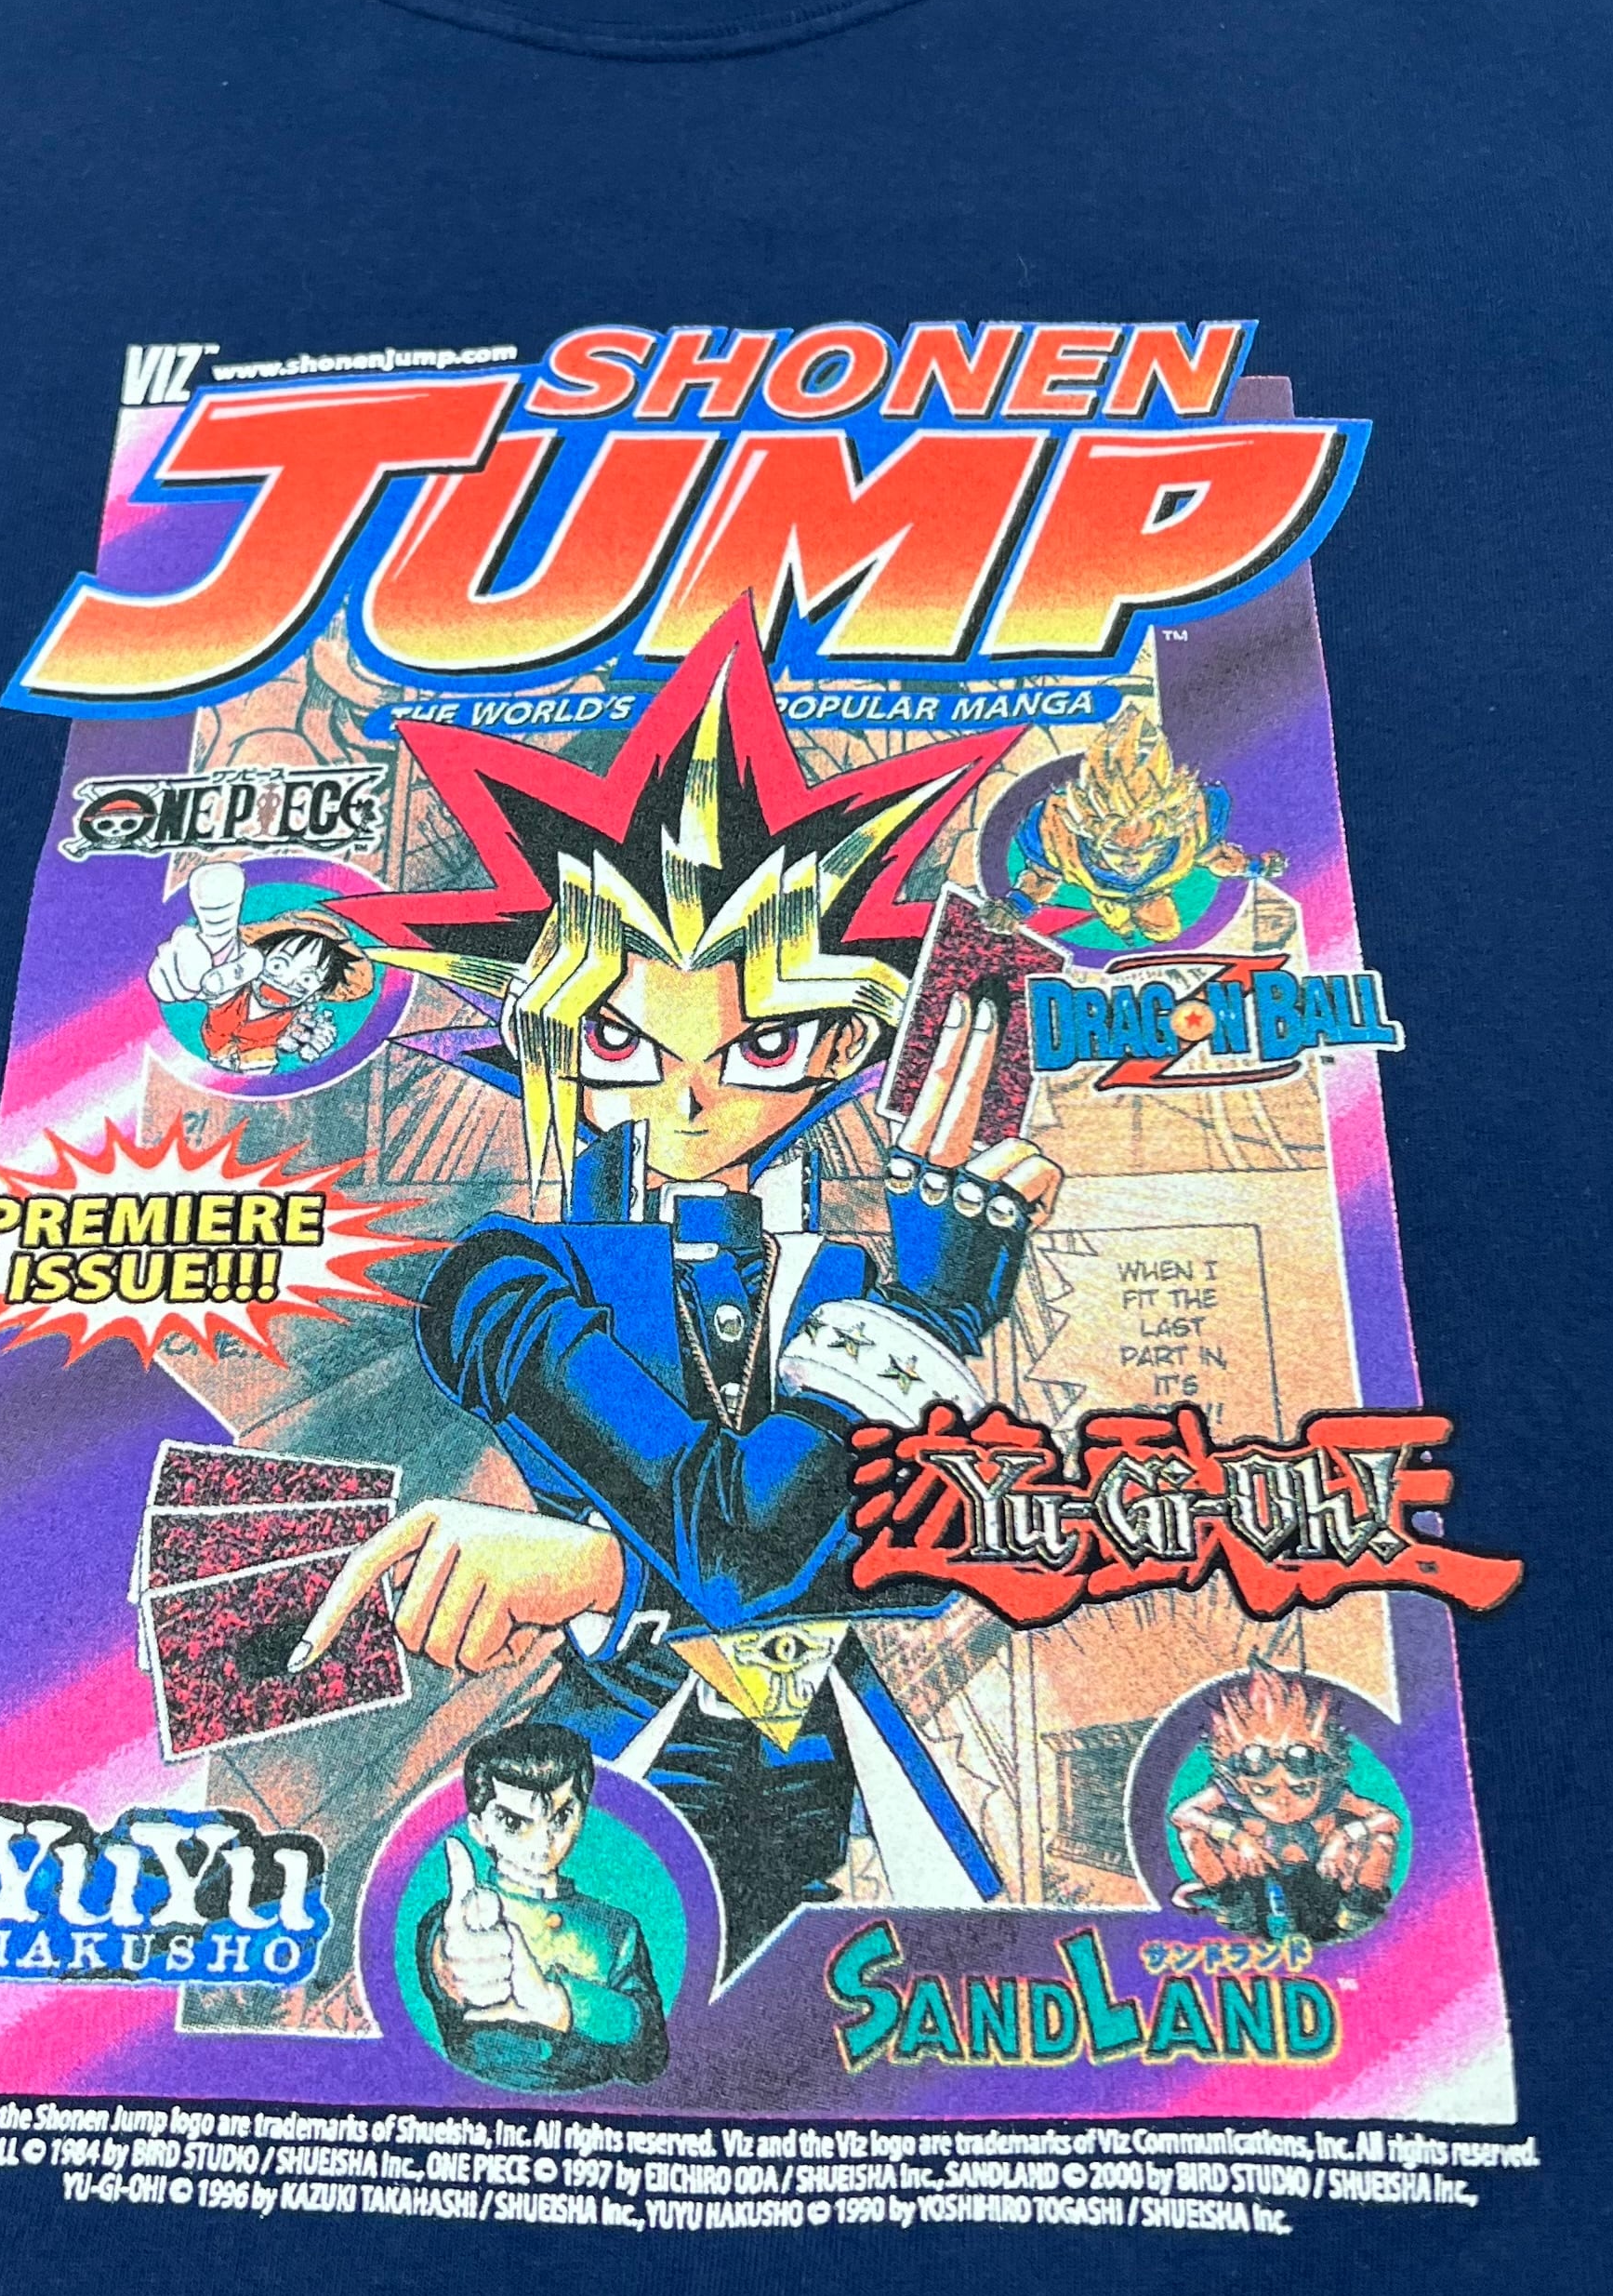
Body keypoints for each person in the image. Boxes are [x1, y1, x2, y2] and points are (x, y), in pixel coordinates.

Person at [294, 606, 1060, 1963]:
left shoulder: (833, 1277)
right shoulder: (506, 1288)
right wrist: (930, 1316)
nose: (690, 1098)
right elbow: (740, 1539)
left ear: (846, 1045)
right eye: (619, 1040)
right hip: (604, 1781)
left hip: (833, 1785)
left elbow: (928, 1566)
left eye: (761, 1045)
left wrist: (597, 1565)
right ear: (543, 1038)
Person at [414, 1722, 668, 2092]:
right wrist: (454, 1963)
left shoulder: (617, 1928)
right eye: (514, 1822)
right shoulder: (460, 1918)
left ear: (583, 1813)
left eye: (561, 1818)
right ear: (480, 1829)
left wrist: (561, 2005)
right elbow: (447, 1956)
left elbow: (648, 2052)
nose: (543, 1840)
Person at [1169, 1665, 1400, 1943]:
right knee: (1192, 1836)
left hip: (1324, 1877)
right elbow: (1182, 1815)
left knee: (1382, 1842)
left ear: (1323, 1777)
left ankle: (1357, 1912)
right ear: (1241, 1783)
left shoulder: (1333, 1796)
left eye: (1300, 1789)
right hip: (1255, 1877)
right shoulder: (1230, 1791)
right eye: (1263, 1790)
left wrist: (1343, 1837)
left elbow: (1388, 1820)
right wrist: (1237, 1837)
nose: (1282, 1801)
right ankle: (1231, 1904)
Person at [145, 858, 375, 1073]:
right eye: (278, 965)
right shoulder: (231, 993)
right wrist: (195, 970)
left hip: (258, 1052)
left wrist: (313, 1041)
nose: (286, 981)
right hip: (218, 1045)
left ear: (319, 989)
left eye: (307, 979)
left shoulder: (294, 1016)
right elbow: (211, 988)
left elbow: (300, 1039)